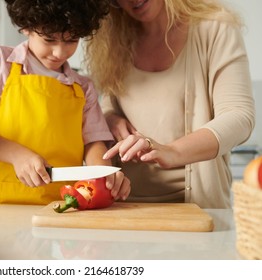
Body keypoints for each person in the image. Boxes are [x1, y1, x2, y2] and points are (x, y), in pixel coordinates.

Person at [0, 0, 131, 205]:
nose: (59, 52)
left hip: (66, 206)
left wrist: (105, 177)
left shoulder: (83, 87)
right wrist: (17, 155)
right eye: (49, 39)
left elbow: (93, 144)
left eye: (71, 40)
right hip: (3, 204)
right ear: (26, 27)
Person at [84, 0, 255, 209]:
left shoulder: (216, 27)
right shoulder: (115, 39)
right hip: (125, 207)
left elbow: (239, 116)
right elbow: (110, 106)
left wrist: (171, 151)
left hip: (199, 209)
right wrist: (109, 119)